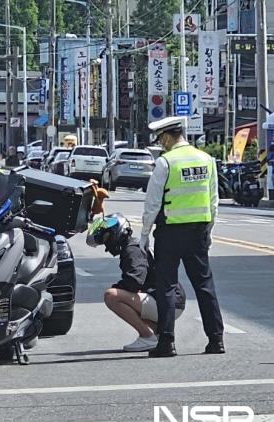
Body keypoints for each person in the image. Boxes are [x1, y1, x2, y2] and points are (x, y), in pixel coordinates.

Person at [140, 116, 224, 358]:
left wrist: (143, 237)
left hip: (170, 233)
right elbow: (213, 201)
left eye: (160, 139)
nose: (161, 144)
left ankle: (167, 342)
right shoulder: (206, 159)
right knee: (204, 285)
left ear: (166, 136)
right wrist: (209, 233)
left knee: (166, 286)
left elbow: (152, 203)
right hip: (197, 232)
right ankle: (216, 339)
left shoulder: (166, 162)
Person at [86, 213, 185, 352]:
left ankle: (147, 337)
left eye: (106, 238)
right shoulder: (133, 245)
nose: (107, 245)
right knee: (123, 295)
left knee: (112, 296)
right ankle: (157, 333)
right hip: (169, 301)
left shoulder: (132, 249)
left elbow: (134, 282)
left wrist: (117, 288)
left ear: (116, 233)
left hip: (169, 303)